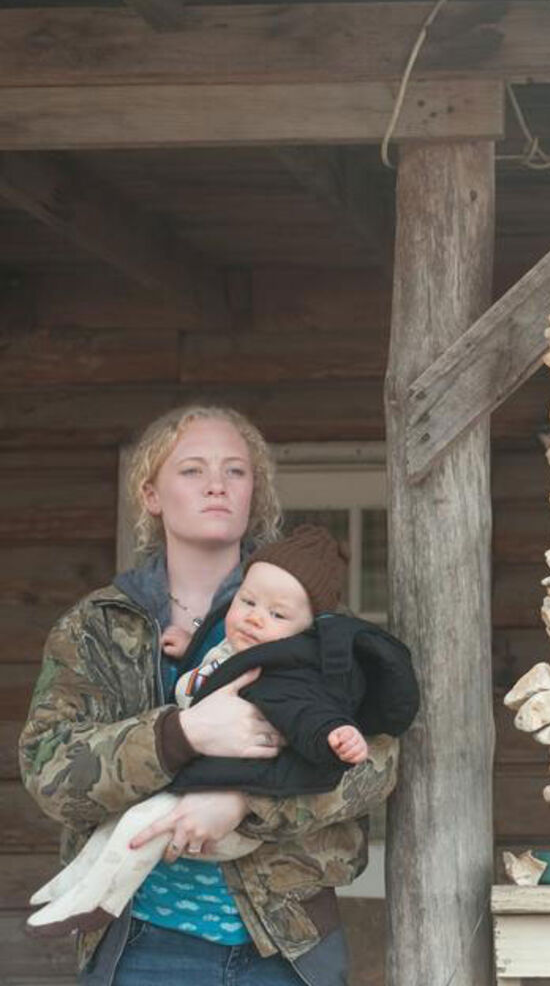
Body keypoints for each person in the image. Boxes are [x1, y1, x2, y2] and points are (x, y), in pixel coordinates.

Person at [19, 405, 401, 986]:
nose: (217, 484)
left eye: (235, 471)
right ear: (151, 494)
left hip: (287, 944)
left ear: (254, 494)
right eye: (192, 469)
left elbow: (377, 761)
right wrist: (182, 733)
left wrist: (246, 803)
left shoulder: (315, 622)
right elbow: (49, 772)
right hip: (144, 947)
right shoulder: (96, 628)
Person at [27, 524, 420, 939]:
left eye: (277, 615)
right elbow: (218, 661)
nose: (255, 617)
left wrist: (334, 733)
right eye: (247, 601)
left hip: (238, 830)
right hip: (200, 794)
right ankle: (69, 886)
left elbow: (311, 713)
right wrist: (190, 644)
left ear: (307, 632)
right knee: (118, 824)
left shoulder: (294, 674)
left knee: (139, 826)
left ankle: (97, 905)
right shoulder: (241, 646)